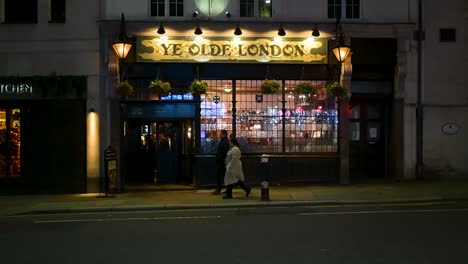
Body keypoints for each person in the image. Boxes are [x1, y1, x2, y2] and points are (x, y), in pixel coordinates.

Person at [213, 130, 229, 195]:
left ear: (224, 135)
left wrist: (219, 157)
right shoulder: (224, 141)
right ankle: (227, 189)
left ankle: (219, 189)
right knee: (225, 176)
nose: (219, 135)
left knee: (220, 176)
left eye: (221, 134)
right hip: (222, 161)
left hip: (222, 162)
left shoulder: (224, 142)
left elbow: (224, 152)